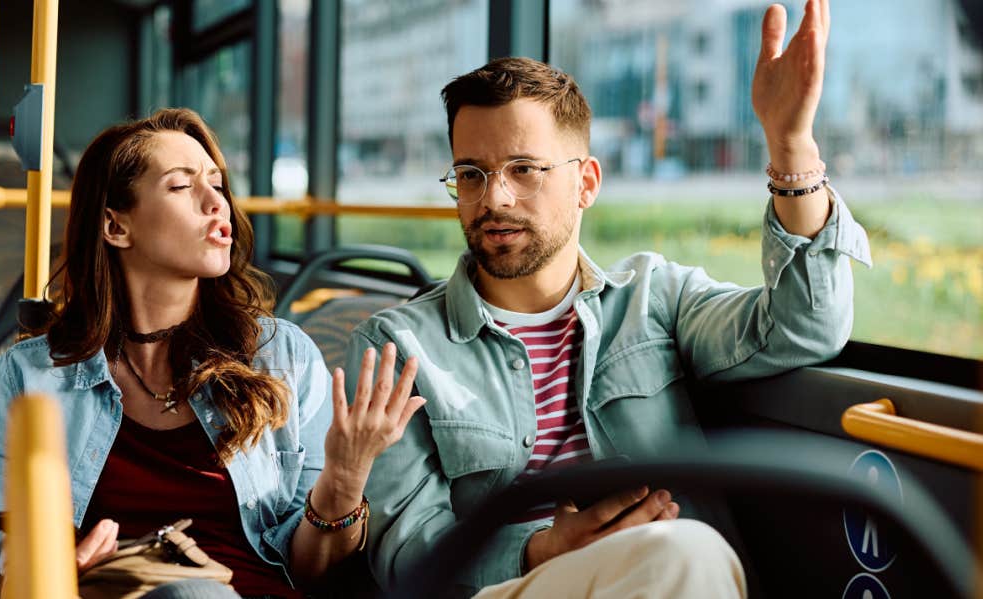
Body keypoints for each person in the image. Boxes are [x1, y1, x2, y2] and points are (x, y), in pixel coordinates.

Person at [344, 2, 870, 598]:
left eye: (524, 169)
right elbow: (407, 560)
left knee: (680, 553)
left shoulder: (655, 299)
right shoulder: (398, 347)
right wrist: (544, 551)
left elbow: (807, 327)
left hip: (663, 574)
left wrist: (791, 144)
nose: (494, 198)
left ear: (586, 183)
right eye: (471, 173)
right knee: (685, 551)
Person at [0, 108, 425, 599]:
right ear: (115, 226)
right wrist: (59, 571)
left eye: (216, 182)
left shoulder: (281, 357)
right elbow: (16, 574)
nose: (217, 203)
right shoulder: (31, 377)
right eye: (182, 186)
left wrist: (345, 477)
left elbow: (313, 573)